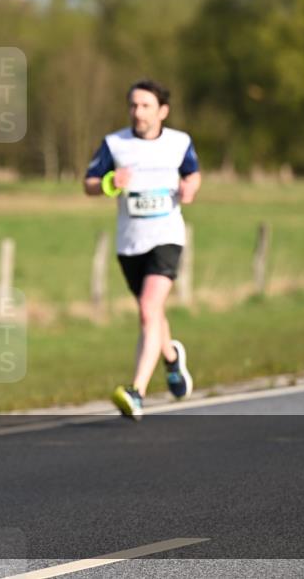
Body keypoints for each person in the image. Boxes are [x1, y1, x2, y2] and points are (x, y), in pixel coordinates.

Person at [83, 79, 201, 420]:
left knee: (149, 309)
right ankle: (171, 359)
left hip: (166, 236)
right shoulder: (114, 143)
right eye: (133, 105)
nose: (138, 112)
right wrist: (109, 183)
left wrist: (189, 189)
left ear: (162, 111)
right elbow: (88, 183)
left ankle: (136, 392)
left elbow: (192, 174)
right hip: (129, 242)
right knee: (152, 313)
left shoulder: (180, 143)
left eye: (146, 105)